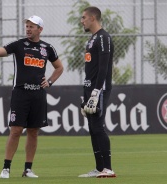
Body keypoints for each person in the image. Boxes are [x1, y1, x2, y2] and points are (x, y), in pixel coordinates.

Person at [0, 15, 63, 179]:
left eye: (32, 26)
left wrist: (50, 82)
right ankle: (6, 168)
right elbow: (1, 51)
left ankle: (28, 169)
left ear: (40, 29)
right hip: (21, 93)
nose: (28, 29)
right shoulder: (19, 45)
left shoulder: (47, 48)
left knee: (33, 131)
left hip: (38, 95)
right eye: (27, 26)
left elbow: (59, 67)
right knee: (16, 130)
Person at [78, 6, 116, 178]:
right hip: (89, 88)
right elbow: (90, 70)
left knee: (98, 127)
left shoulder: (103, 37)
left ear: (93, 18)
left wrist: (96, 92)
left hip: (99, 89)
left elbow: (103, 67)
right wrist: (85, 95)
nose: (82, 21)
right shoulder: (92, 39)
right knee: (92, 128)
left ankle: (108, 168)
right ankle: (100, 168)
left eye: (84, 17)